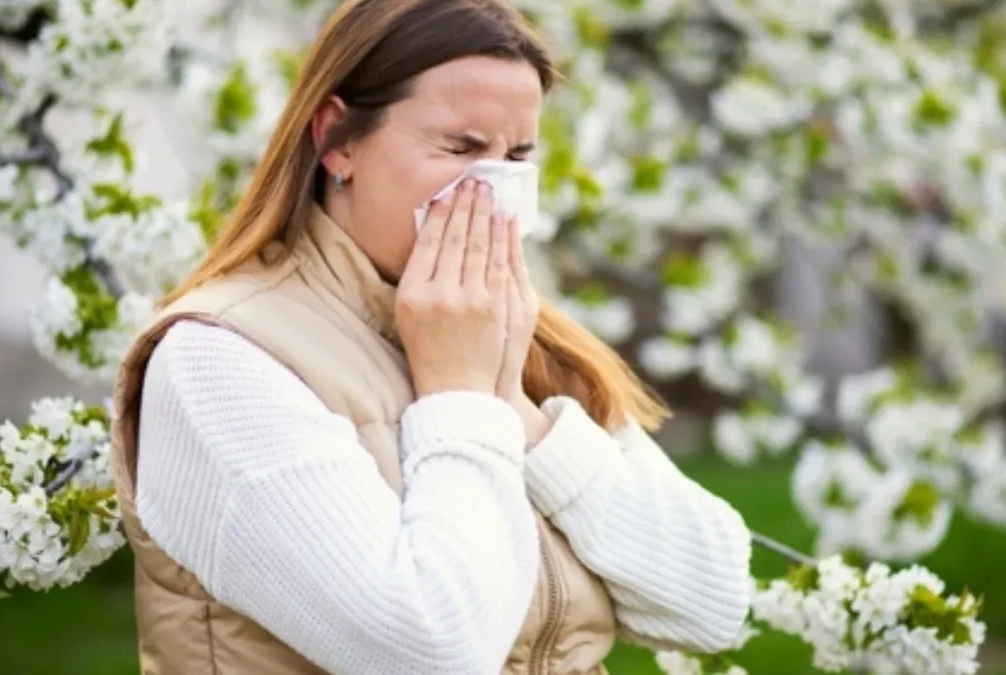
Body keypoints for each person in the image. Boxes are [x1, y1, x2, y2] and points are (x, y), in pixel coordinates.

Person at [109, 0, 753, 673]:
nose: (494, 186)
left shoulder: (509, 330)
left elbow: (711, 600)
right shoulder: (219, 359)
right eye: (462, 147)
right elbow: (431, 650)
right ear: (339, 140)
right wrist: (462, 392)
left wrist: (517, 409)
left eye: (519, 154)